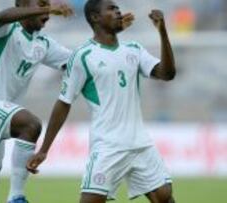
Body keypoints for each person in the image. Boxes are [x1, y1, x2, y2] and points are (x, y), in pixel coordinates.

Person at [27, 0, 176, 203]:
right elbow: (64, 102)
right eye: (111, 9)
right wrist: (44, 149)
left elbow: (167, 74)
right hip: (108, 147)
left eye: (118, 8)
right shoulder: (83, 56)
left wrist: (162, 32)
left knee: (165, 198)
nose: (118, 12)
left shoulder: (134, 49)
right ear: (95, 17)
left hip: (140, 144)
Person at [0, 0, 74, 202]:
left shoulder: (43, 44)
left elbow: (77, 62)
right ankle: (16, 197)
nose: (46, 11)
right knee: (30, 125)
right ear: (22, 4)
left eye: (47, 5)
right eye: (41, 4)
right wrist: (49, 8)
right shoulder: (6, 30)